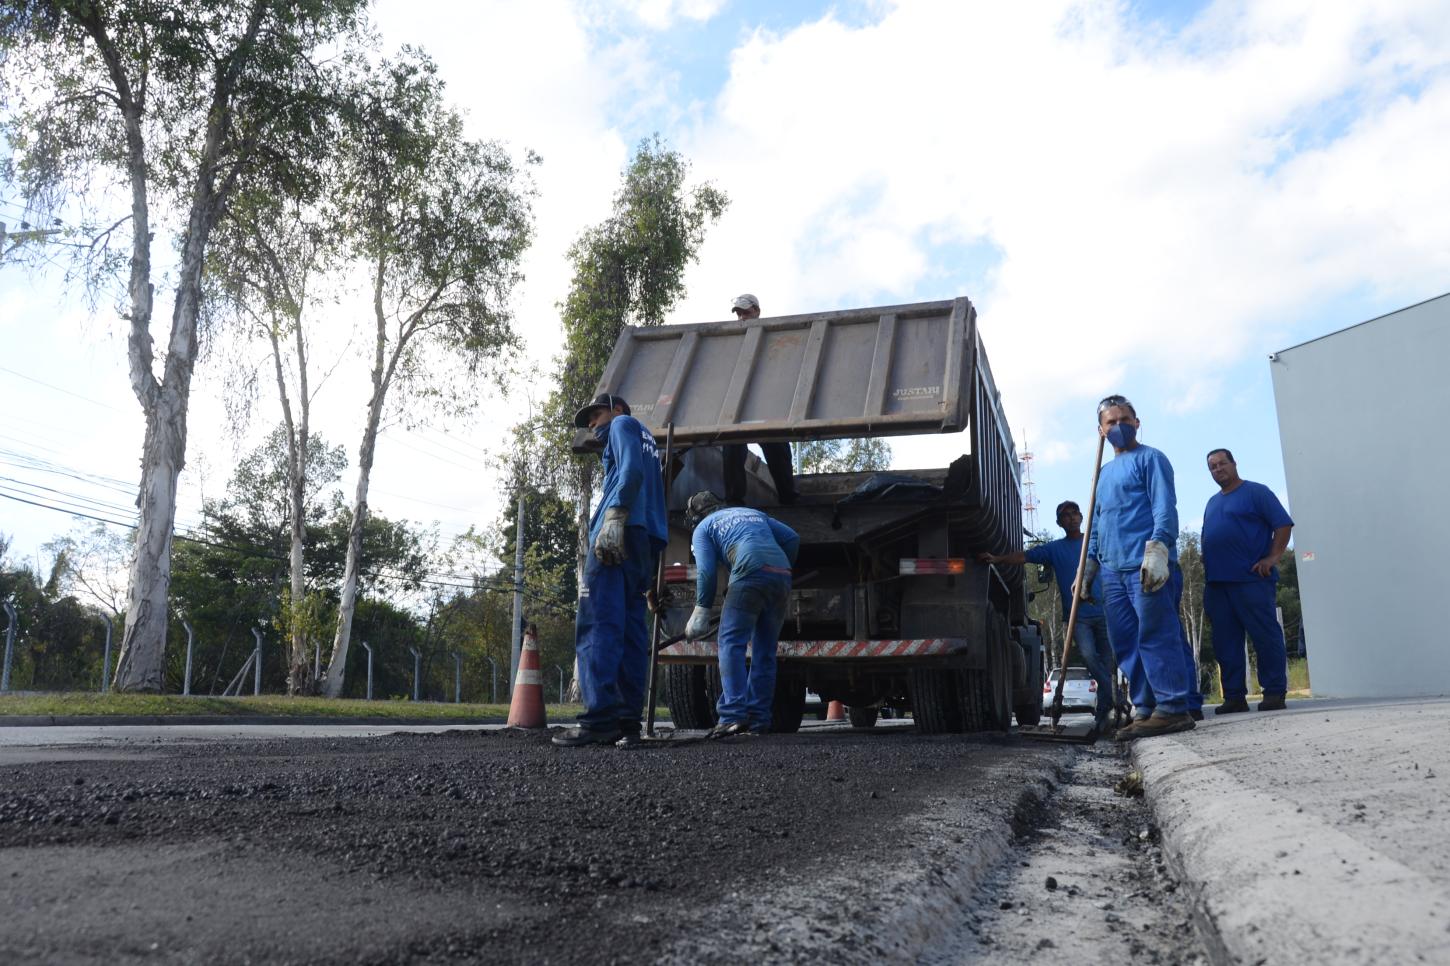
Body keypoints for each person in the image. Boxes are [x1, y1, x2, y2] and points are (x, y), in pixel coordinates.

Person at [1084, 394, 1202, 741]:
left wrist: (1158, 549)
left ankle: (1173, 708)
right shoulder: (1103, 474)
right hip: (1112, 570)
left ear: (1137, 422)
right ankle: (1146, 708)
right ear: (1101, 431)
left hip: (1146, 565)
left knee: (1156, 635)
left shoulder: (1151, 459)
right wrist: (1089, 568)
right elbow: (1098, 524)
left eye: (1124, 420)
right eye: (1111, 422)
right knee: (1126, 643)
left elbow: (1165, 508)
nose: (1118, 426)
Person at [553, 393, 668, 748]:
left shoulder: (623, 424)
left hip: (618, 533)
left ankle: (599, 719)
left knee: (599, 622)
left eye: (595, 414)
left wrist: (614, 514)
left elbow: (630, 471)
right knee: (632, 628)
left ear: (617, 409)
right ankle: (626, 720)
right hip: (645, 538)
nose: (591, 423)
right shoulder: (647, 442)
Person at [978, 500, 1115, 734]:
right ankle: (1112, 694)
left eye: (1075, 514)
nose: (1071, 518)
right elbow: (1025, 556)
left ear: (1082, 517)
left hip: (1105, 612)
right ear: (1059, 522)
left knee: (1108, 661)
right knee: (1090, 657)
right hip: (1077, 616)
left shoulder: (1094, 544)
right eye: (1066, 515)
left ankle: (1104, 715)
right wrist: (998, 559)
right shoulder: (1054, 549)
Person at [683, 490, 799, 737]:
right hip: (781, 574)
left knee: (730, 643)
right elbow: (792, 538)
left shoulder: (703, 528)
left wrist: (701, 610)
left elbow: (706, 573)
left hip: (748, 571)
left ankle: (733, 715)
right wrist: (777, 569)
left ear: (696, 516)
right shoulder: (753, 513)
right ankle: (758, 719)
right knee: (765, 651)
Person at [1202, 449, 1294, 713]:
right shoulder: (1212, 502)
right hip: (1217, 584)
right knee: (1225, 642)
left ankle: (1274, 692)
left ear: (1234, 464)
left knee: (1264, 636)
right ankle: (1234, 697)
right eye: (1213, 467)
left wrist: (1273, 557)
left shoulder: (1256, 492)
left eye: (1222, 464)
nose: (1218, 469)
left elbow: (1283, 525)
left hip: (1251, 579)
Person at [722, 294, 798, 506]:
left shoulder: (772, 336)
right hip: (737, 405)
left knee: (776, 445)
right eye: (738, 314)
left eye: (745, 312)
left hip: (766, 403)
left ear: (757, 311)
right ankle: (734, 501)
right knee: (731, 446)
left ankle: (788, 496)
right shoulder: (732, 339)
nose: (741, 318)